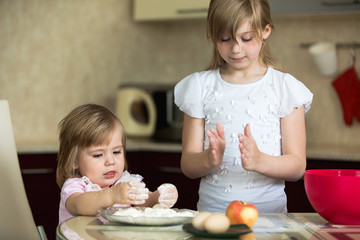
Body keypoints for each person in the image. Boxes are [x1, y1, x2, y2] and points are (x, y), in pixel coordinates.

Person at [174, 0, 313, 213]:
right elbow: (188, 165)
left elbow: (297, 166)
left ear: (266, 30)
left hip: (270, 222)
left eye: (246, 38)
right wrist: (208, 159)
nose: (236, 48)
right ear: (213, 36)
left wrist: (260, 161)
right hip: (213, 218)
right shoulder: (200, 86)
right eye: (225, 39)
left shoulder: (285, 87)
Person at [56, 104, 178, 223]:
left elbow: (146, 201)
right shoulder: (75, 186)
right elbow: (79, 205)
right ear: (74, 161)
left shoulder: (122, 183)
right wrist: (112, 195)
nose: (111, 161)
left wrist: (159, 197)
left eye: (116, 152)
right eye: (98, 155)